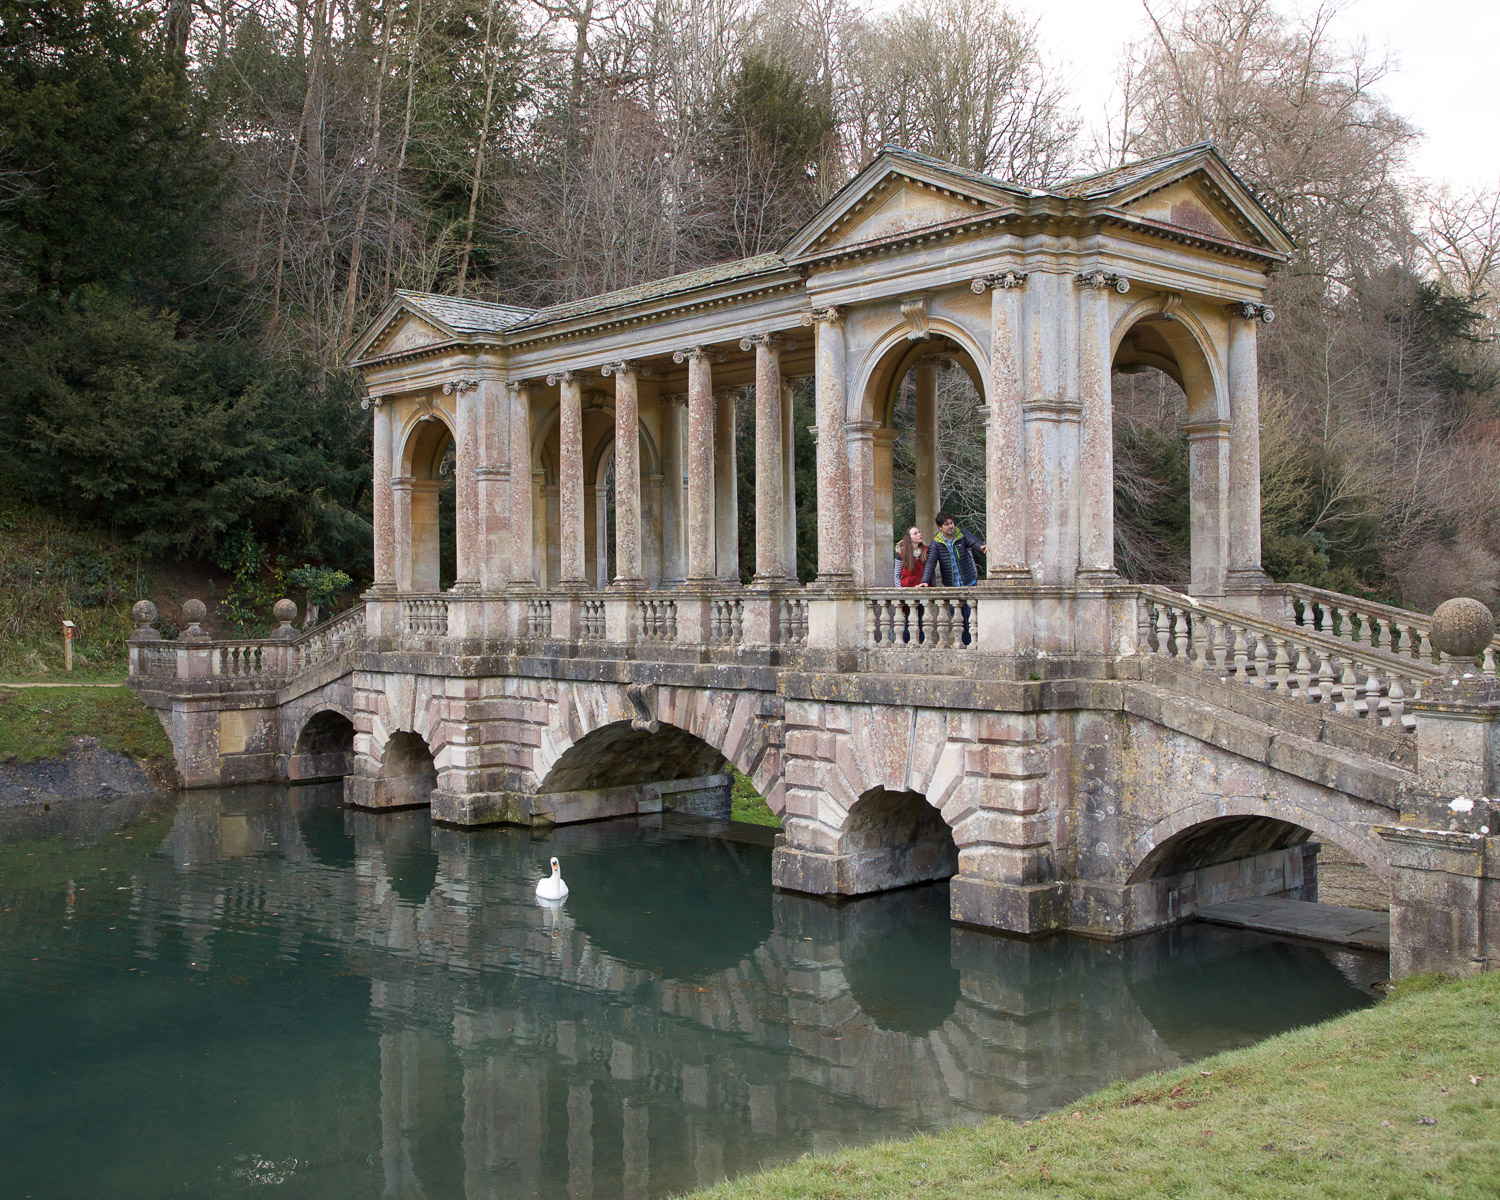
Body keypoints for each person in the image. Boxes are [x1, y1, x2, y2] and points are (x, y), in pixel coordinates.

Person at [918, 512, 987, 587]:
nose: (951, 526)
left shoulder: (962, 535)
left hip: (970, 582)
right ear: (939, 527)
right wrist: (925, 581)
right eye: (946, 524)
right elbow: (930, 563)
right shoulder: (936, 544)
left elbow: (973, 542)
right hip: (951, 585)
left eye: (951, 523)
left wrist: (980, 547)